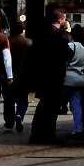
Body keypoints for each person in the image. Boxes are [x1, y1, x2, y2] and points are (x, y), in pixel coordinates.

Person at [30, 9, 71, 144]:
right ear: (60, 20)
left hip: (43, 74)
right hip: (55, 75)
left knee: (43, 105)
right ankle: (48, 134)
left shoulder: (43, 33)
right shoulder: (59, 35)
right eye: (64, 18)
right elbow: (68, 53)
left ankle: (37, 134)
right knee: (52, 107)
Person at [4, 21, 31, 134]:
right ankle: (19, 114)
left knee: (9, 99)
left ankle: (9, 122)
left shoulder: (7, 41)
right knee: (23, 98)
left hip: (9, 74)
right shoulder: (28, 42)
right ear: (22, 30)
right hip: (24, 74)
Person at [64, 30, 84, 136]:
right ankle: (78, 127)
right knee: (76, 104)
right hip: (79, 79)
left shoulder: (70, 46)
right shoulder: (83, 49)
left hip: (68, 79)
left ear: (71, 36)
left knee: (60, 102)